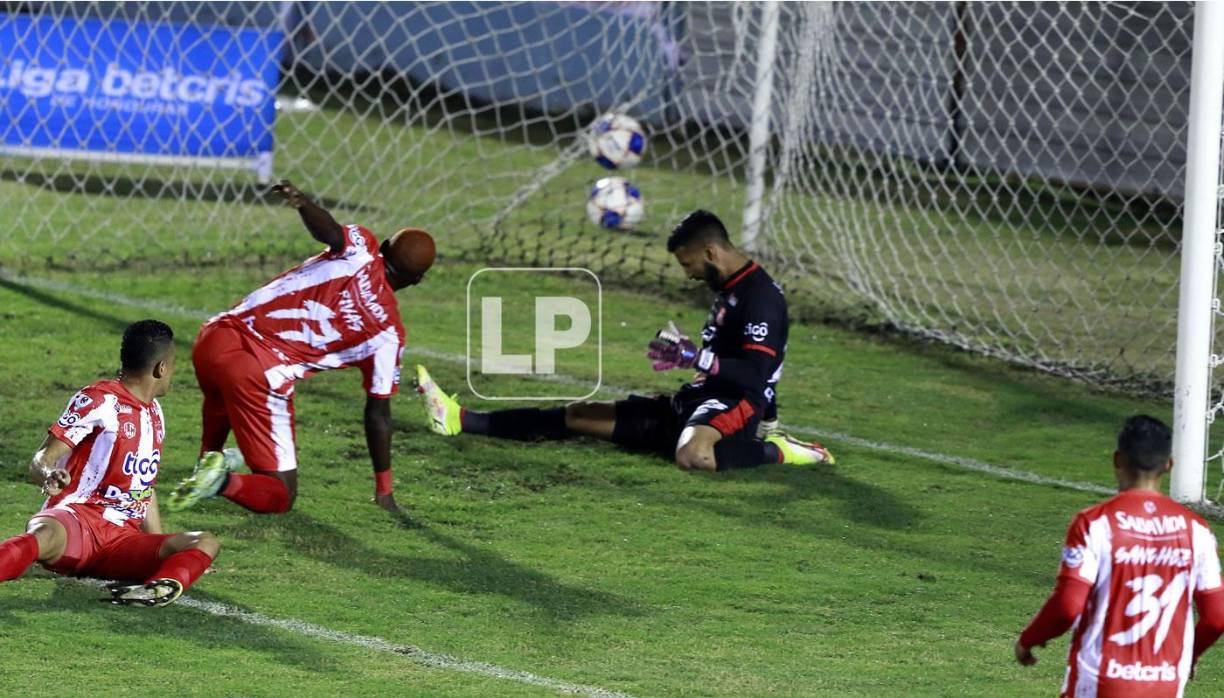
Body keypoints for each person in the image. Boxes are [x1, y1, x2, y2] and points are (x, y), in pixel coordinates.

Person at [414, 209, 833, 471]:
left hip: (732, 405)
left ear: (710, 253)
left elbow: (758, 374)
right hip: (696, 399)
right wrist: (697, 360)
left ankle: (778, 451)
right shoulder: (730, 288)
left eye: (688, 264)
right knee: (580, 415)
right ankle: (460, 419)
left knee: (694, 456)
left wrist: (700, 361)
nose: (687, 274)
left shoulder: (761, 298)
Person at [167, 180, 435, 515]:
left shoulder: (362, 247)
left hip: (216, 335)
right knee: (281, 495)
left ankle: (206, 462)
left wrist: (303, 203)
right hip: (258, 371)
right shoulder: (387, 335)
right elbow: (378, 413)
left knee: (221, 395)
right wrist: (384, 489)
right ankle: (219, 481)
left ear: (382, 246)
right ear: (416, 280)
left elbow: (330, 232)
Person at [0, 320, 218, 606]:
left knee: (205, 542)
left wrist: (163, 551)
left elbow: (144, 488)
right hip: (77, 523)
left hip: (122, 542)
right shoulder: (98, 400)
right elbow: (41, 459)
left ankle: (157, 588)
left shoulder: (155, 413)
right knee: (44, 534)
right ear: (161, 368)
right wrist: (49, 474)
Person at [1015, 415, 1224, 696]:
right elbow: (1217, 617)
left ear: (1118, 459)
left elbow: (1067, 606)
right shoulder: (1197, 530)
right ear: (1169, 464)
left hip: (1100, 681)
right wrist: (1190, 654)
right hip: (1164, 684)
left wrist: (1029, 639)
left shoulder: (1095, 523)